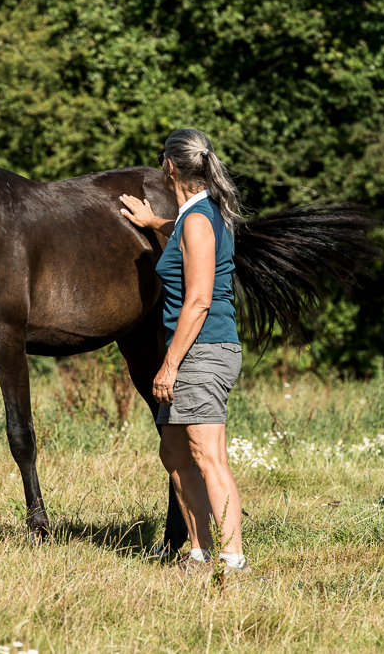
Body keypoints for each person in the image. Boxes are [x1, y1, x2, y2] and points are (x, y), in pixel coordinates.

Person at [118, 127, 249, 574]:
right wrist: (152, 222)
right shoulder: (198, 213)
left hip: (203, 349)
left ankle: (232, 562)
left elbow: (198, 300)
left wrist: (169, 364)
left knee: (207, 455)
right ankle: (199, 553)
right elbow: (185, 233)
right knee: (174, 453)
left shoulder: (197, 219)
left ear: (169, 165)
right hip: (197, 349)